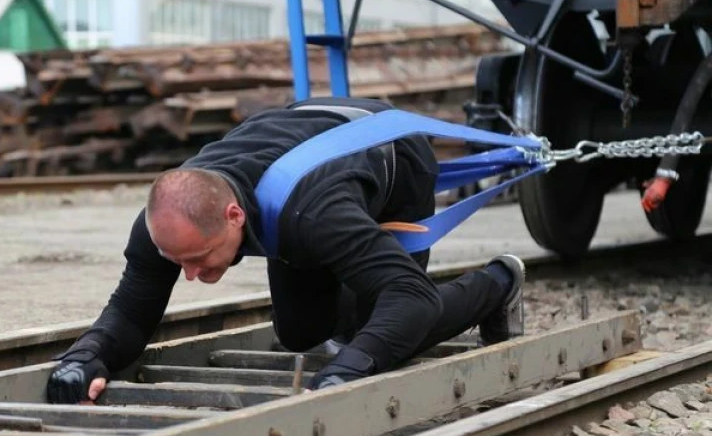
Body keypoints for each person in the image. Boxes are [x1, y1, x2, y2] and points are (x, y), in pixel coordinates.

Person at [46, 97, 526, 403]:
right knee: (300, 333)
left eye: (198, 259)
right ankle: (356, 282)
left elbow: (411, 298)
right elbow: (131, 313)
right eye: (178, 263)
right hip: (305, 147)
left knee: (388, 326)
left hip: (393, 154)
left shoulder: (314, 215)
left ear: (234, 216)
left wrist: (348, 370)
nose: (188, 275)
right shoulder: (167, 224)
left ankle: (499, 283)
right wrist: (86, 358)